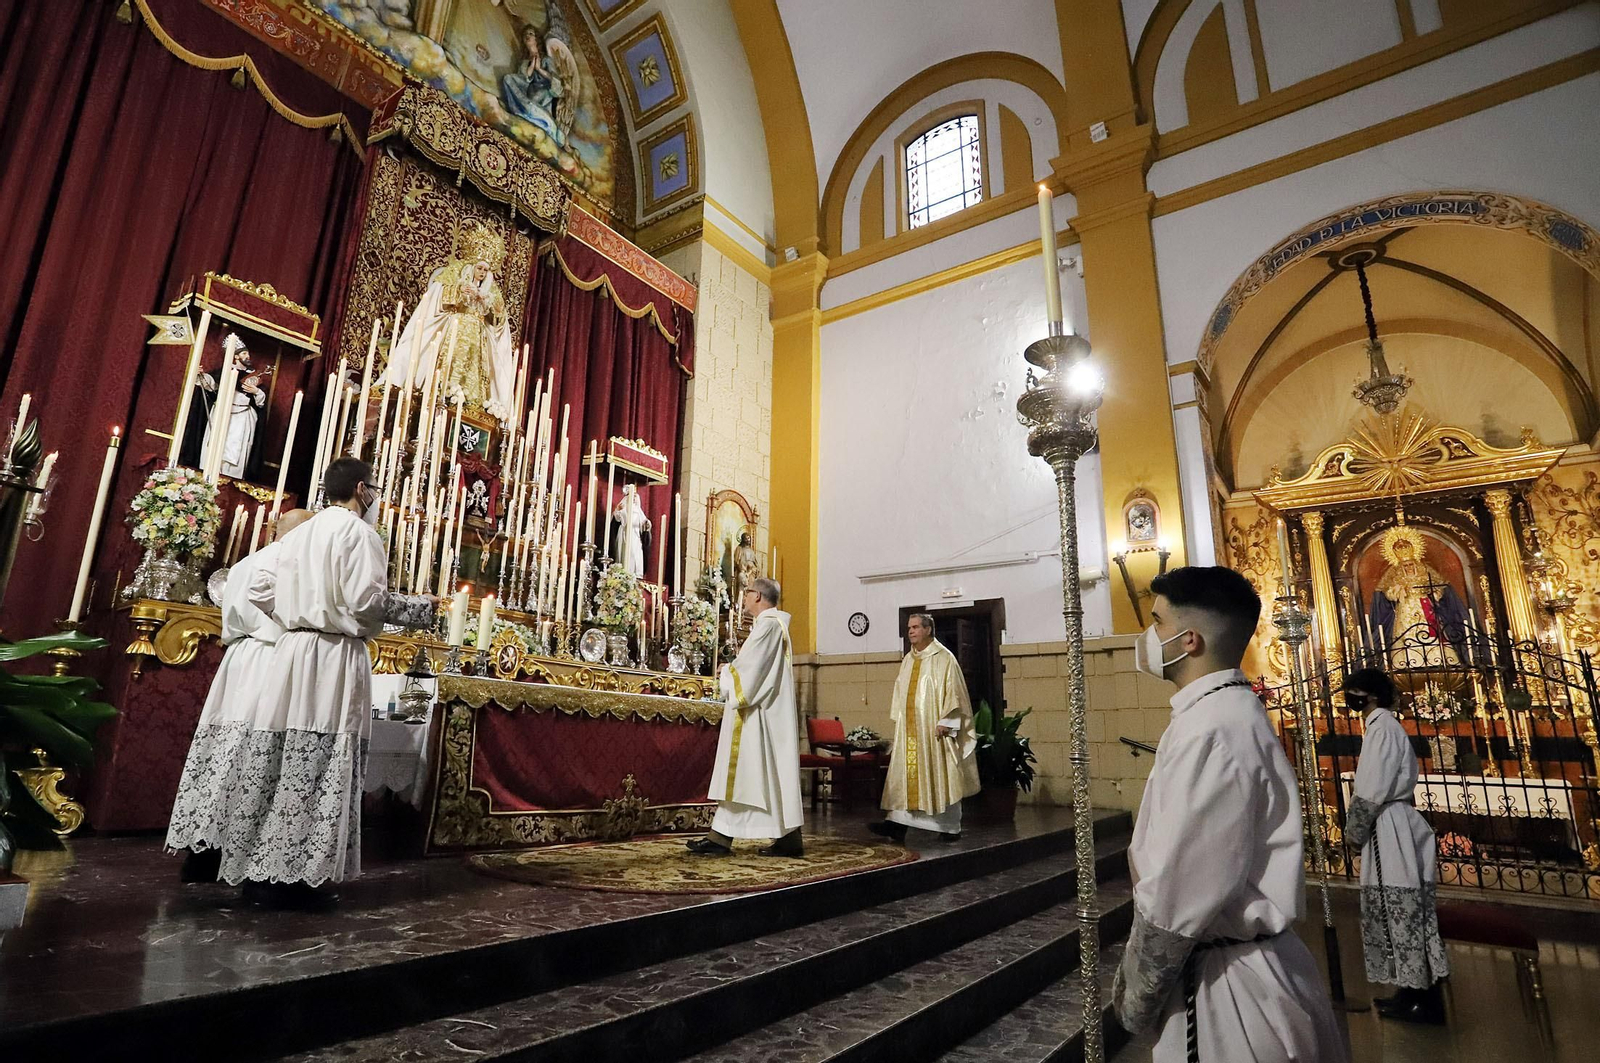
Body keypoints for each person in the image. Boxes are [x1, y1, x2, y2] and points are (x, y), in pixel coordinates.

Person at [1112, 566, 1345, 1062]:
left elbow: (1180, 885)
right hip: (1238, 968)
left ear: (1188, 639)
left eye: (1156, 622)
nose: (1148, 637)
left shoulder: (1212, 730)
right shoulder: (1219, 714)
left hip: (1227, 991)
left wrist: (1137, 994)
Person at [240, 457, 436, 907]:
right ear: (363, 490)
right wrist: (420, 608)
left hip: (291, 651)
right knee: (320, 761)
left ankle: (260, 872)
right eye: (375, 492)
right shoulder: (359, 533)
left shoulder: (301, 530)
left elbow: (258, 587)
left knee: (280, 758)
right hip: (331, 655)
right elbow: (367, 602)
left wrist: (296, 613)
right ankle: (297, 879)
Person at [166, 507, 314, 883]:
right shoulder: (296, 565)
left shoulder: (249, 562)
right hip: (273, 660)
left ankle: (202, 850)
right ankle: (243, 851)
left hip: (238, 660)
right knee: (255, 757)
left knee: (223, 753)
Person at [1343, 667, 1449, 1024]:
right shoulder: (1381, 727)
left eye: (1354, 691)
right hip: (1388, 825)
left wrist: (1353, 832)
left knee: (1401, 909)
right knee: (1394, 911)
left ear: (1368, 695)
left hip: (1387, 825)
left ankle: (1423, 998)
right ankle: (1408, 992)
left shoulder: (1382, 729)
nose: (1350, 698)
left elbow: (1371, 789)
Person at [688, 578, 804, 857]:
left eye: (748, 592)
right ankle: (782, 838)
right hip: (763, 712)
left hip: (755, 715)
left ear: (759, 597)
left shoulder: (768, 626)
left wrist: (726, 672)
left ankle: (723, 838)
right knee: (760, 777)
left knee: (746, 775)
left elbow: (750, 673)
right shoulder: (774, 625)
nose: (744, 597)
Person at [385, 222, 516, 422]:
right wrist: (459, 292)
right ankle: (444, 393)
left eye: (485, 270)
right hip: (456, 327)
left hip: (478, 336)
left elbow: (499, 319)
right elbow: (437, 298)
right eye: (479, 268)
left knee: (475, 368)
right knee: (449, 362)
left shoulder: (491, 290)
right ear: (472, 267)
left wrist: (486, 301)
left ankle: (471, 403)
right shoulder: (456, 276)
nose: (482, 273)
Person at [869, 613, 979, 843]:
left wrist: (947, 722)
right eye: (909, 627)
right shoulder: (909, 659)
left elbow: (955, 691)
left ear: (928, 630)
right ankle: (897, 824)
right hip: (910, 730)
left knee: (940, 774)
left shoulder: (944, 658)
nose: (911, 631)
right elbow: (900, 692)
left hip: (934, 731)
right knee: (904, 775)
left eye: (916, 627)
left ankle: (949, 828)